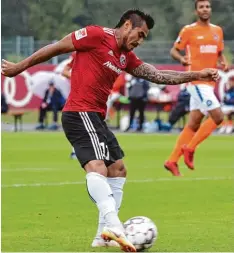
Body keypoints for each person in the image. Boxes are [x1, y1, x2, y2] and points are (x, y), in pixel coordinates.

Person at [2, 9, 219, 252]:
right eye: (140, 34)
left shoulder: (126, 57)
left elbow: (159, 75)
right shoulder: (95, 35)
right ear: (127, 25)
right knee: (97, 167)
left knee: (118, 169)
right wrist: (19, 67)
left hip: (96, 117)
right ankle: (114, 225)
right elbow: (56, 47)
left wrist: (197, 74)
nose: (140, 41)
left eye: (145, 37)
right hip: (78, 112)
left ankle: (101, 236)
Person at [164, 0, 229, 176]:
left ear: (210, 10)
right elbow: (174, 50)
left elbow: (219, 52)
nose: (205, 9)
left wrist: (223, 62)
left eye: (207, 6)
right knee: (218, 116)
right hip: (196, 80)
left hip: (210, 82)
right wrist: (181, 59)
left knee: (193, 123)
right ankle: (190, 148)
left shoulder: (217, 31)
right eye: (201, 7)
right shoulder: (188, 30)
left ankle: (172, 161)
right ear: (196, 11)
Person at [61, 52, 78, 159]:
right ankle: (75, 151)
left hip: (97, 95)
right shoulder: (77, 54)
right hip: (78, 95)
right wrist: (78, 77)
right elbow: (64, 71)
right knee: (77, 124)